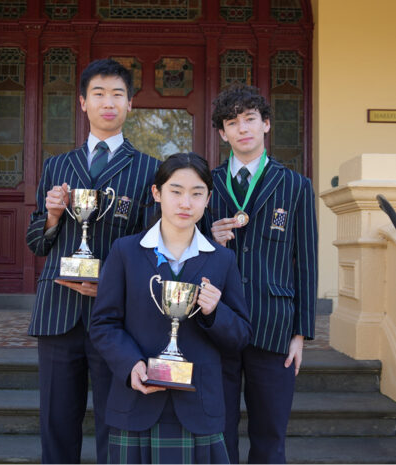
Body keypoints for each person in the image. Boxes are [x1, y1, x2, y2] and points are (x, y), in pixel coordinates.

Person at [26, 58, 160, 464]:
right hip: (59, 312)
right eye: (98, 94)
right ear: (83, 102)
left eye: (117, 94)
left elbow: (151, 248)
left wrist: (112, 283)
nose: (108, 102)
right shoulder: (56, 166)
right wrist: (52, 215)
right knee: (56, 421)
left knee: (114, 421)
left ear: (130, 103)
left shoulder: (149, 169)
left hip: (116, 317)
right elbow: (36, 243)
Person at [90, 153, 252, 464]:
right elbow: (103, 323)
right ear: (157, 193)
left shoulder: (222, 259)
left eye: (196, 193)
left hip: (199, 406)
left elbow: (241, 336)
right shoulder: (126, 251)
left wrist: (215, 312)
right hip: (137, 401)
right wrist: (131, 364)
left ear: (207, 199)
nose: (185, 203)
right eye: (176, 191)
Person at [201, 84, 318, 464]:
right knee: (218, 433)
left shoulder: (296, 185)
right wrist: (209, 239)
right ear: (223, 133)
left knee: (270, 436)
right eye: (232, 122)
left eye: (250, 119)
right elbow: (186, 253)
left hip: (275, 327)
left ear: (266, 124)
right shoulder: (207, 185)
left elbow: (306, 262)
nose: (243, 128)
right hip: (219, 323)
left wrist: (300, 333)